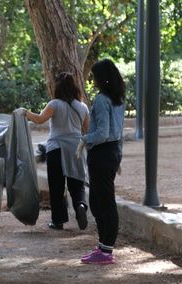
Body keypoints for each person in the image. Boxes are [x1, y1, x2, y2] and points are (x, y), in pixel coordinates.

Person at [25, 72, 90, 231]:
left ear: (58, 88)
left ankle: (58, 221)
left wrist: (24, 112)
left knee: (57, 187)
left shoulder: (54, 104)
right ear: (74, 87)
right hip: (76, 149)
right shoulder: (82, 107)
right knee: (77, 184)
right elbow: (87, 130)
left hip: (56, 149)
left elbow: (39, 119)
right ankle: (81, 205)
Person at [77, 59, 126, 265]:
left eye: (95, 77)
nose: (92, 80)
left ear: (101, 78)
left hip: (102, 153)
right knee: (98, 201)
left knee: (104, 201)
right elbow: (118, 132)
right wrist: (118, 155)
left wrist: (84, 139)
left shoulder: (101, 100)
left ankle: (106, 250)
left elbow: (103, 133)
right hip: (111, 152)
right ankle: (103, 245)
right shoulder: (118, 99)